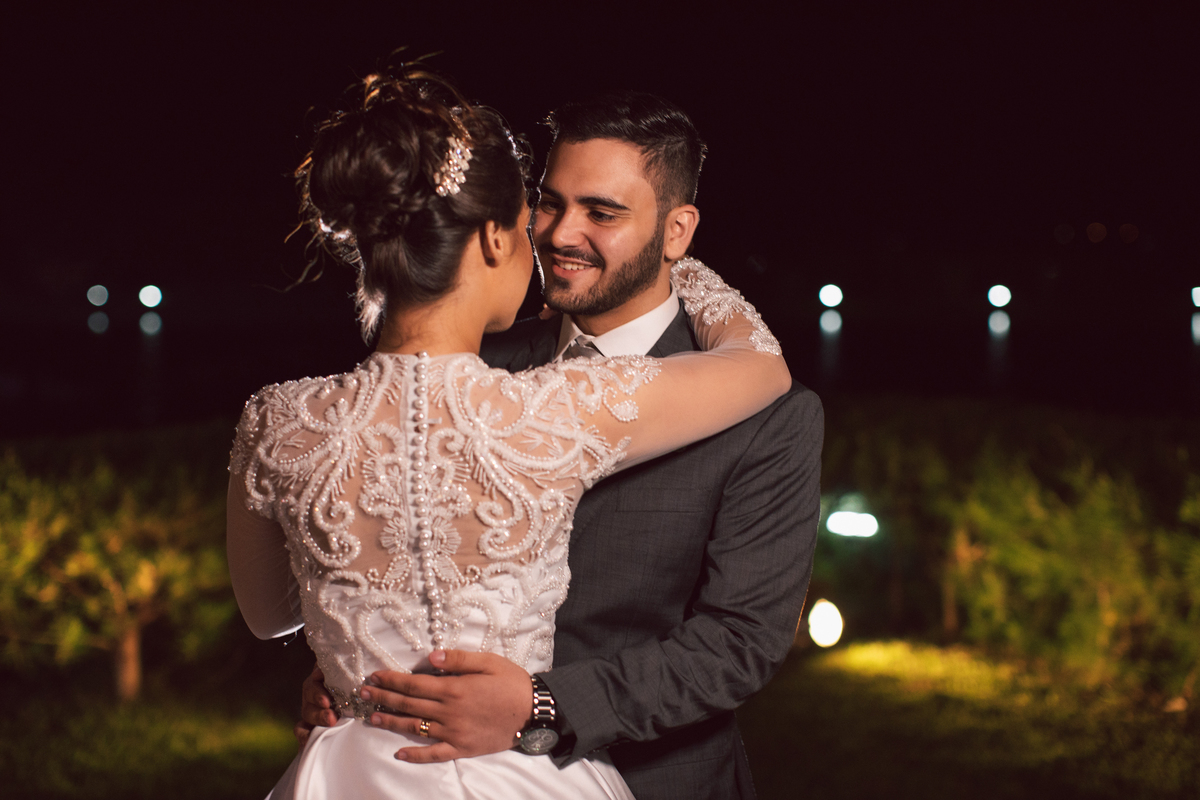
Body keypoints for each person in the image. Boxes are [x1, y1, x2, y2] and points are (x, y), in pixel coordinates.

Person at [227, 72, 793, 800]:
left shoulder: (277, 421)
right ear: (497, 236)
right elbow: (759, 364)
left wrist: (355, 664)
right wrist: (667, 253)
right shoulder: (555, 405)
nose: (556, 236)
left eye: (603, 212)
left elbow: (271, 613)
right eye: (543, 210)